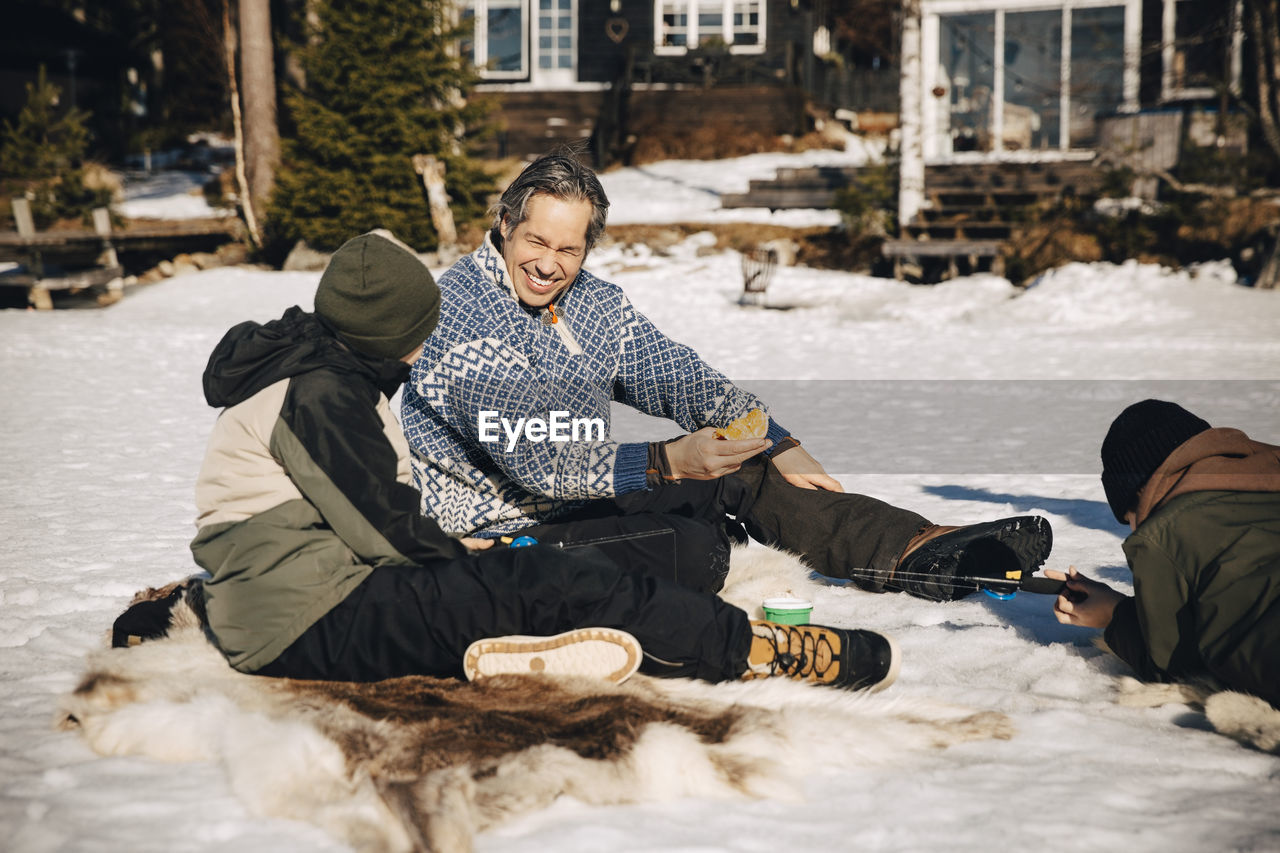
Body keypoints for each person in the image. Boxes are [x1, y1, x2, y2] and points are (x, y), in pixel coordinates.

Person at [183, 228, 900, 693]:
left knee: (540, 575)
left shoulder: (321, 371)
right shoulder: (322, 394)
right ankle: (759, 649)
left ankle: (514, 640)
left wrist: (766, 437)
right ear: (387, 333)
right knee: (553, 581)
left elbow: (357, 521)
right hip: (312, 616)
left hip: (308, 595)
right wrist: (487, 566)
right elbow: (394, 534)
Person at [400, 152, 1052, 601]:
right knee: (695, 545)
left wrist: (774, 438)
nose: (549, 264)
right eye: (536, 242)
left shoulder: (587, 303)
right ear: (505, 223)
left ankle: (916, 550)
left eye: (568, 249)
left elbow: (674, 373)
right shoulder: (459, 314)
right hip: (497, 540)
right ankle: (717, 548)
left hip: (574, 506)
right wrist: (666, 460)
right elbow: (539, 461)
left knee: (744, 468)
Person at [1048, 399, 1280, 707]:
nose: (1134, 530)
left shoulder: (1163, 531)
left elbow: (1172, 664)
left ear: (1137, 496)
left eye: (1129, 518)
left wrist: (1114, 614)